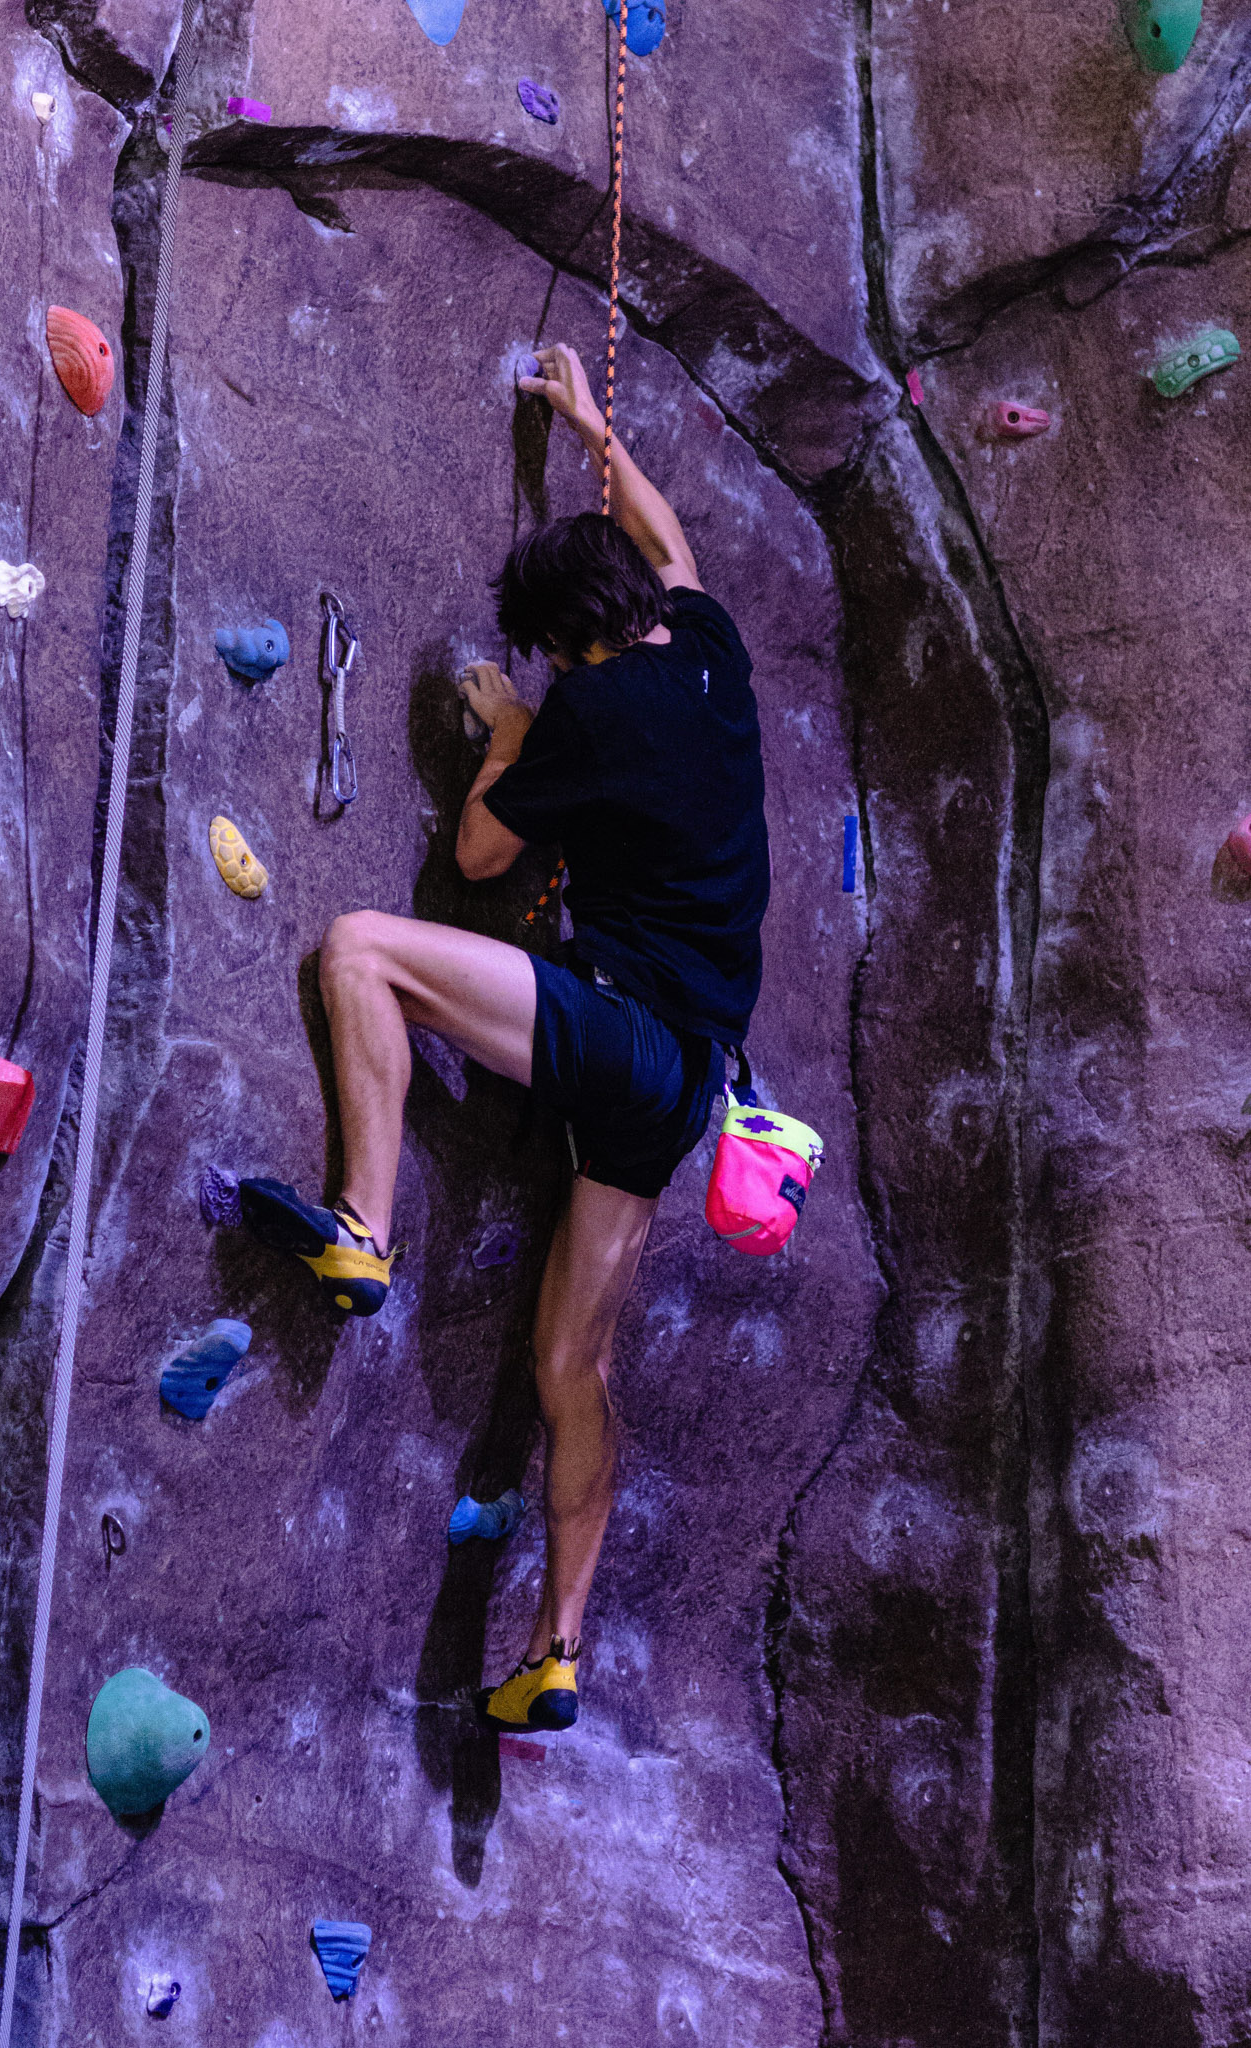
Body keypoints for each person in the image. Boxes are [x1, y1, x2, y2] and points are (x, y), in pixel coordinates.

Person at [238, 342, 770, 1732]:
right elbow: (669, 535)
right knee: (567, 1368)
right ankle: (555, 1650)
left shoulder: (587, 704)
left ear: (562, 643)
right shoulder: (710, 650)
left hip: (623, 1034)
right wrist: (591, 427)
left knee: (363, 951)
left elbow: (479, 857)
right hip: (687, 1084)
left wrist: (506, 732)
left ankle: (360, 1222)